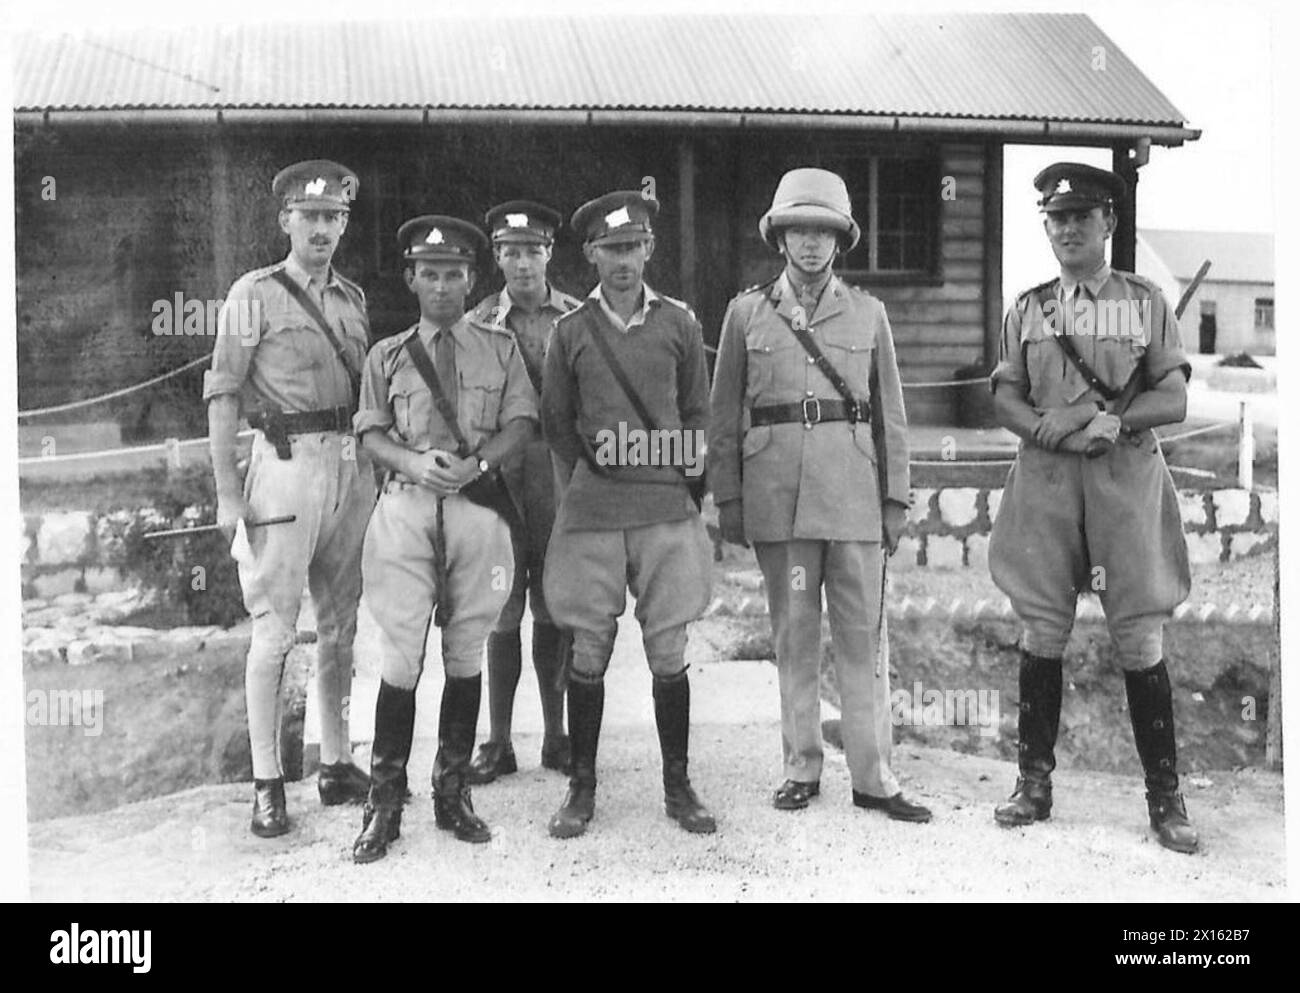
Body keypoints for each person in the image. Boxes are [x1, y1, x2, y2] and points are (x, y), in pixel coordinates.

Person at [708, 167, 931, 823]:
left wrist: (895, 500)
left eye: (823, 232)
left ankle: (874, 775)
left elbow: (891, 415)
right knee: (794, 635)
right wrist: (729, 499)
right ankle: (801, 766)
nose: (810, 244)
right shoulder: (746, 312)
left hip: (855, 498)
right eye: (798, 230)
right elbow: (723, 416)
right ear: (780, 238)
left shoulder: (869, 313)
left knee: (863, 640)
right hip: (777, 496)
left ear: (841, 241)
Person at [988, 162, 1198, 854]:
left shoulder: (1143, 302)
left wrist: (1120, 419)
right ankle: (1033, 782)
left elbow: (1174, 395)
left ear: (1109, 224)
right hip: (1047, 485)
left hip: (1123, 483)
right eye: (1058, 219)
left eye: (1083, 217)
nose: (1069, 229)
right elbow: (1006, 393)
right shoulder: (1029, 305)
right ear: (1046, 227)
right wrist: (1038, 425)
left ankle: (1165, 797)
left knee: (1138, 633)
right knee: (1043, 628)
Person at [350, 215, 538, 862]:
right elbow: (370, 431)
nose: (442, 285)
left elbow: (521, 422)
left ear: (471, 277)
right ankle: (383, 801)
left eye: (454, 272)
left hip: (476, 511)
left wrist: (480, 464)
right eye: (428, 273)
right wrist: (409, 462)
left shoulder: (501, 347)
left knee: (466, 652)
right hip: (406, 511)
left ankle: (452, 790)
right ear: (410, 278)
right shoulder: (388, 353)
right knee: (400, 657)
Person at [204, 159, 375, 838]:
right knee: (275, 626)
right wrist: (225, 491)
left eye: (334, 217)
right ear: (285, 221)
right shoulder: (255, 293)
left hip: (346, 467)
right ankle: (267, 782)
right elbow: (222, 392)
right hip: (283, 466)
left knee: (341, 622)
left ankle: (335, 761)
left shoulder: (352, 299)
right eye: (310, 217)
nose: (323, 229)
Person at [541, 190, 715, 839]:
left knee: (668, 645)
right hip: (595, 505)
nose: (622, 260)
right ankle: (581, 788)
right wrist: (597, 470)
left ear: (649, 248)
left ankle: (679, 784)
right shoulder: (569, 332)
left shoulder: (680, 324)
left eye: (633, 246)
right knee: (589, 645)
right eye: (609, 248)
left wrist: (688, 483)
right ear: (590, 253)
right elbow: (557, 423)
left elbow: (697, 412)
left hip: (665, 502)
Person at [466, 201, 581, 784]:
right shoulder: (479, 321)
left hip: (560, 481)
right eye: (509, 251)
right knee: (501, 610)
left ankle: (558, 737)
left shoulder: (579, 317)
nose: (521, 262)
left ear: (549, 253)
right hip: (502, 483)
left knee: (555, 607)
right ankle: (499, 740)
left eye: (531, 250)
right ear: (497, 257)